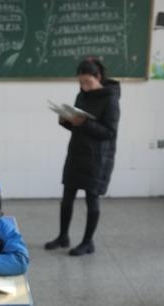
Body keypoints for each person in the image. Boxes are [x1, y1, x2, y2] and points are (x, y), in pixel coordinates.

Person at [45, 58, 120, 257]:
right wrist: (66, 121)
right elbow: (77, 125)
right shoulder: (82, 95)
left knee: (91, 200)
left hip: (98, 158)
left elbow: (110, 132)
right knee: (66, 198)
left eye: (87, 82)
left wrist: (84, 123)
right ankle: (63, 236)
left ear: (98, 77)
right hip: (77, 153)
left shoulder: (110, 99)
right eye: (80, 83)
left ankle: (88, 242)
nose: (84, 87)